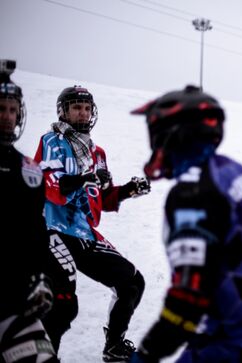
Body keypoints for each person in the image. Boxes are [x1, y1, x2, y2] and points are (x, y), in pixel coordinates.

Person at [129, 85, 242, 362]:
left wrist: (147, 353)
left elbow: (188, 296)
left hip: (239, 340)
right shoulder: (229, 169)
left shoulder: (191, 192)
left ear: (172, 133)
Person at [34, 85, 151, 362]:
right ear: (63, 111)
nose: (83, 113)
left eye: (87, 108)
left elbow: (102, 199)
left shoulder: (97, 152)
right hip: (53, 229)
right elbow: (50, 186)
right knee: (62, 301)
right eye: (76, 107)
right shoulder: (52, 141)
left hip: (83, 232)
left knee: (132, 283)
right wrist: (85, 179)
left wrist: (127, 190)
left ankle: (114, 346)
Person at [0, 59, 59, 362]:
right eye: (0, 109)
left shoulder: (29, 170)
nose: (7, 117)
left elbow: (35, 233)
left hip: (12, 300)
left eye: (12, 109)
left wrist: (40, 277)